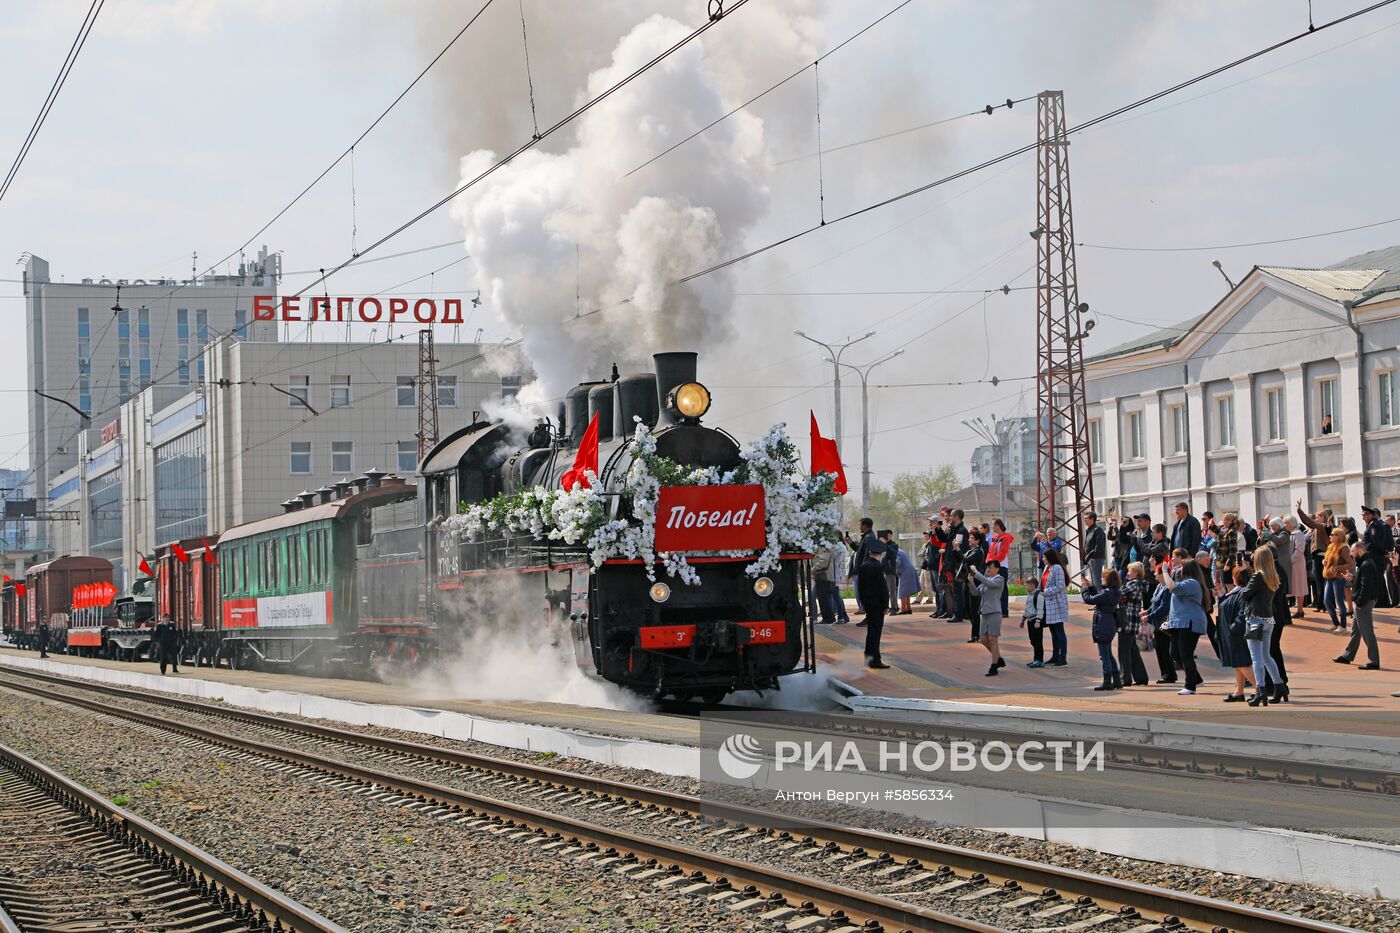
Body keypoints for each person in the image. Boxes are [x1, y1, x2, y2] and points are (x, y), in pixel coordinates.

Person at [1238, 546, 1284, 707]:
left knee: (1256, 658)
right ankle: (1280, 686)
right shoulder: (1272, 575)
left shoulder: (1258, 575)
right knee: (1266, 656)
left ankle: (1260, 690)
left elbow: (1245, 594)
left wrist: (1244, 573)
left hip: (1255, 619)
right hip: (1268, 619)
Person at [1157, 554, 1209, 695]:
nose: (1179, 569)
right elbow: (1168, 584)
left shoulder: (1192, 583)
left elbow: (1172, 586)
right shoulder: (1186, 582)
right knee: (1175, 653)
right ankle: (1196, 678)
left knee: (1186, 654)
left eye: (1181, 567)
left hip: (1190, 623)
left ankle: (1190, 686)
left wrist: (1166, 571)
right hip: (1181, 623)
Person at [1335, 540, 1382, 670]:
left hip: (1364, 602)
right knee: (1356, 631)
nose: (1351, 554)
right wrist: (1353, 579)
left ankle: (1374, 661)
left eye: (1352, 551)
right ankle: (1348, 655)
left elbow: (1367, 586)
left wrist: (1360, 602)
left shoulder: (1366, 564)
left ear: (1359, 550)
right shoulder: (1365, 563)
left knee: (1367, 632)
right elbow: (1364, 582)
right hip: (1362, 601)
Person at [1080, 567, 1123, 691]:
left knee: (1104, 654)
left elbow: (1089, 599)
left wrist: (1084, 589)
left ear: (1108, 580)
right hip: (1110, 621)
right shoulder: (1115, 591)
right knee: (1108, 653)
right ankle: (1117, 680)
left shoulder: (1107, 593)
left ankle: (1107, 681)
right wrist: (1091, 587)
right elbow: (1099, 597)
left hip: (1103, 622)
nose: (1101, 579)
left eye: (1103, 578)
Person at [1217, 566, 1253, 702]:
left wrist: (1234, 628)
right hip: (1233, 632)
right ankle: (1239, 691)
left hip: (1237, 633)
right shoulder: (1236, 592)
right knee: (1238, 663)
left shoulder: (1243, 592)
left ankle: (1259, 689)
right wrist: (1221, 593)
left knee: (1242, 662)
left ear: (1237, 578)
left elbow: (1243, 613)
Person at [855, 542, 890, 669]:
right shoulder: (878, 567)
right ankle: (875, 660)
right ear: (880, 554)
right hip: (877, 604)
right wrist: (886, 605)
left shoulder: (864, 565)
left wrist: (862, 602)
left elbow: (860, 586)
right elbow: (883, 587)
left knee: (870, 631)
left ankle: (868, 657)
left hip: (868, 602)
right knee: (876, 632)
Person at [969, 560, 1007, 676]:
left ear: (997, 569)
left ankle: (994, 666)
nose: (988, 569)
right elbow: (976, 593)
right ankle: (998, 658)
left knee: (992, 639)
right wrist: (971, 582)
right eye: (987, 568)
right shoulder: (986, 580)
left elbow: (988, 583)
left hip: (995, 612)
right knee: (983, 639)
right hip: (985, 613)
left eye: (990, 567)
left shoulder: (999, 579)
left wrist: (976, 572)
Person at [1144, 555, 1176, 683]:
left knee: (1164, 650)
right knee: (1159, 650)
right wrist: (1146, 611)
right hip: (1156, 623)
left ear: (1162, 574)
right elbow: (1154, 604)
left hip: (1163, 623)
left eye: (1156, 572)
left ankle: (1170, 674)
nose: (1154, 574)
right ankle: (1165, 674)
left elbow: (1163, 607)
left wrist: (1149, 616)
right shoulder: (1159, 587)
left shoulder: (1167, 589)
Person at [1118, 561, 1150, 687]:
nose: (1127, 573)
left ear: (1135, 573)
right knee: (1132, 649)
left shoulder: (1134, 583)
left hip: (1127, 620)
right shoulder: (1136, 584)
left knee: (1124, 650)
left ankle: (1125, 678)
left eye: (1130, 570)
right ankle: (1141, 677)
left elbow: (1119, 593)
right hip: (1131, 620)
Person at [1040, 546, 1069, 666]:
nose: (1043, 559)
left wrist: (1045, 591)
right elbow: (1043, 582)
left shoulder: (1057, 568)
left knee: (1059, 631)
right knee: (1053, 631)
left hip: (1056, 603)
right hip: (1048, 603)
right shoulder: (1047, 567)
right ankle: (1055, 655)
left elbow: (1060, 586)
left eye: (1044, 557)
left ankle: (1063, 657)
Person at [1322, 526, 1354, 633]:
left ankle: (1343, 626)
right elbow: (1329, 559)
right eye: (1330, 534)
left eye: (1332, 534)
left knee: (1339, 600)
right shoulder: (1331, 546)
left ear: (1339, 536)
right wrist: (1325, 561)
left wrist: (1336, 568)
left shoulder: (1344, 548)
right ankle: (1335, 623)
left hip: (1339, 577)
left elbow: (1350, 564)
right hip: (1329, 576)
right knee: (1326, 601)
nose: (1330, 536)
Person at [960, 529, 988, 643]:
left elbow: (966, 559)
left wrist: (957, 549)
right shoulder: (970, 550)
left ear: (977, 541)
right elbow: (961, 559)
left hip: (974, 582)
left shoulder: (978, 552)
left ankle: (975, 634)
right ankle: (979, 630)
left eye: (971, 538)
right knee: (967, 607)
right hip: (967, 580)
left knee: (974, 608)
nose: (969, 539)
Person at [986, 519, 1014, 618]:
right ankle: (996, 609)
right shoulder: (995, 537)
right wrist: (988, 561)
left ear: (998, 525)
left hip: (1001, 566)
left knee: (1002, 589)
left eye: (993, 525)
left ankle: (1004, 611)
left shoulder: (1005, 537)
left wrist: (993, 562)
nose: (992, 527)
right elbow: (990, 551)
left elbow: (1003, 552)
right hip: (994, 566)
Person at [1021, 573, 1046, 668]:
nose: (1026, 587)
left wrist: (1038, 621)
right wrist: (1023, 619)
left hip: (1036, 620)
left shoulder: (1038, 595)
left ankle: (1039, 660)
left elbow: (1040, 609)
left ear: (1032, 585)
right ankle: (1036, 659)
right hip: (1030, 620)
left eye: (1027, 585)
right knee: (1033, 641)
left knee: (1037, 641)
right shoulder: (1030, 595)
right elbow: (1028, 608)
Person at [1286, 517, 1309, 617]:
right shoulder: (1290, 533)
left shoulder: (1298, 534)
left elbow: (1299, 549)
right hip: (1291, 563)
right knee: (1293, 585)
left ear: (1291, 523)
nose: (1284, 525)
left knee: (1299, 585)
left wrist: (1291, 561)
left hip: (1297, 563)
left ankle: (1300, 610)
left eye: (1286, 523)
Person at [1213, 513, 1239, 594]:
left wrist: (1228, 564)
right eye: (1224, 519)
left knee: (1229, 584)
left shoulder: (1231, 532)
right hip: (1221, 561)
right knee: (1224, 583)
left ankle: (1232, 602)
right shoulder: (1223, 529)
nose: (1225, 521)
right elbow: (1218, 533)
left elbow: (1233, 550)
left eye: (1227, 520)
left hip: (1228, 562)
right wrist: (1212, 525)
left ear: (1232, 521)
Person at [1082, 510, 1107, 588]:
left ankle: (1099, 597)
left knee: (1097, 581)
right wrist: (1086, 561)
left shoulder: (1098, 530)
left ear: (1092, 519)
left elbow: (1099, 545)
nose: (1084, 520)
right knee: (1093, 581)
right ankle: (1096, 596)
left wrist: (1093, 557)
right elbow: (1087, 546)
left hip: (1096, 559)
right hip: (1091, 559)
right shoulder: (1089, 530)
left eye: (1086, 518)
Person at [879, 530, 901, 614]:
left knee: (892, 590)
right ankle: (886, 607)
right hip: (882, 570)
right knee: (884, 591)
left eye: (887, 535)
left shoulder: (894, 545)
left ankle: (894, 608)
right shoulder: (883, 545)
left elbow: (893, 553)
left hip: (890, 570)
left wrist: (885, 544)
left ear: (891, 536)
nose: (886, 537)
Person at [895, 542, 920, 615]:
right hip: (910, 569)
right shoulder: (901, 551)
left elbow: (897, 563)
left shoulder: (896, 552)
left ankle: (903, 609)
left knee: (902, 590)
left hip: (905, 571)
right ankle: (908, 608)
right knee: (907, 591)